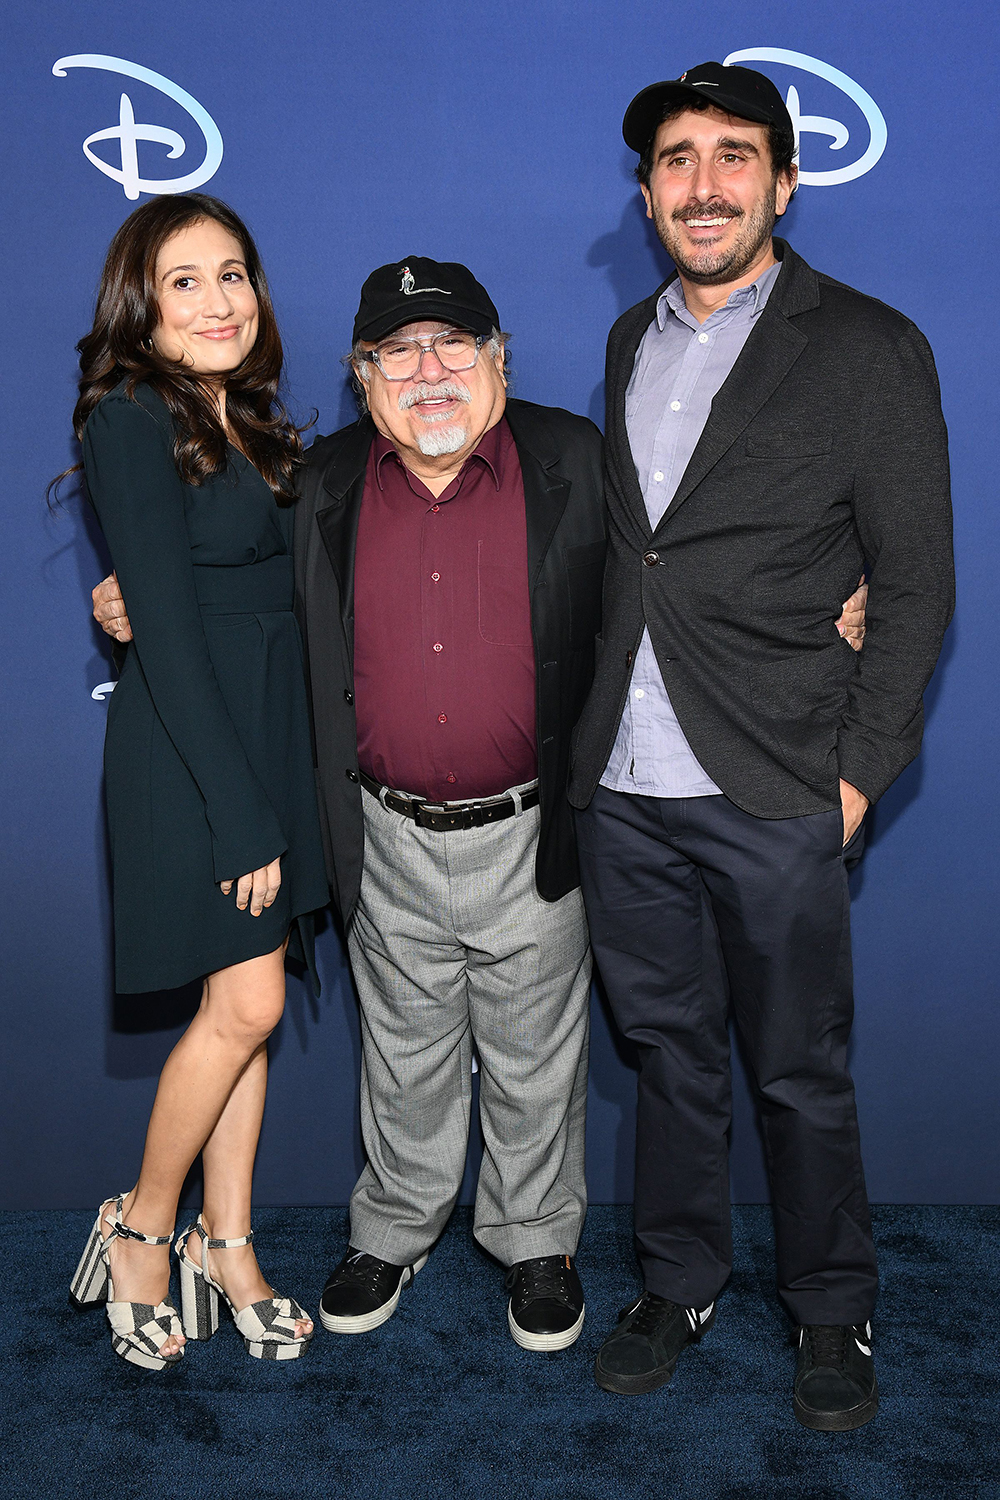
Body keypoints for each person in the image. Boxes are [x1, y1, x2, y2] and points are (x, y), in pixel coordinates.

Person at [93, 256, 868, 1354]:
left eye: (455, 344)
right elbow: (227, 581)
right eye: (398, 352)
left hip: (530, 821)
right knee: (401, 1051)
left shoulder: (578, 461)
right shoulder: (320, 481)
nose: (430, 372)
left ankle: (534, 1244)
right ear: (362, 376)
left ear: (500, 359)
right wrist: (130, 594)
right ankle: (394, 1228)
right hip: (379, 824)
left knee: (536, 1051)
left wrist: (832, 589)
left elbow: (689, 560)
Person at [569, 63, 954, 1429]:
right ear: (648, 191)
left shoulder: (868, 346)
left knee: (798, 1069)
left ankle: (833, 1309)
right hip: (625, 787)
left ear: (784, 184)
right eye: (678, 159)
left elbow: (913, 585)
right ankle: (678, 1282)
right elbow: (641, 553)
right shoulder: (630, 340)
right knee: (666, 1056)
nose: (705, 182)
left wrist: (854, 776)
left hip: (779, 777)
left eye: (735, 156)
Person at [68, 193, 328, 1369]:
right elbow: (164, 628)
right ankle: (139, 1227)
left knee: (246, 1013)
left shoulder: (260, 422)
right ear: (143, 304)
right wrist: (237, 810)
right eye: (187, 281)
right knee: (250, 1006)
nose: (220, 300)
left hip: (270, 739)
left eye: (235, 274)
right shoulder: (128, 414)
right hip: (194, 753)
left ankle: (229, 1248)